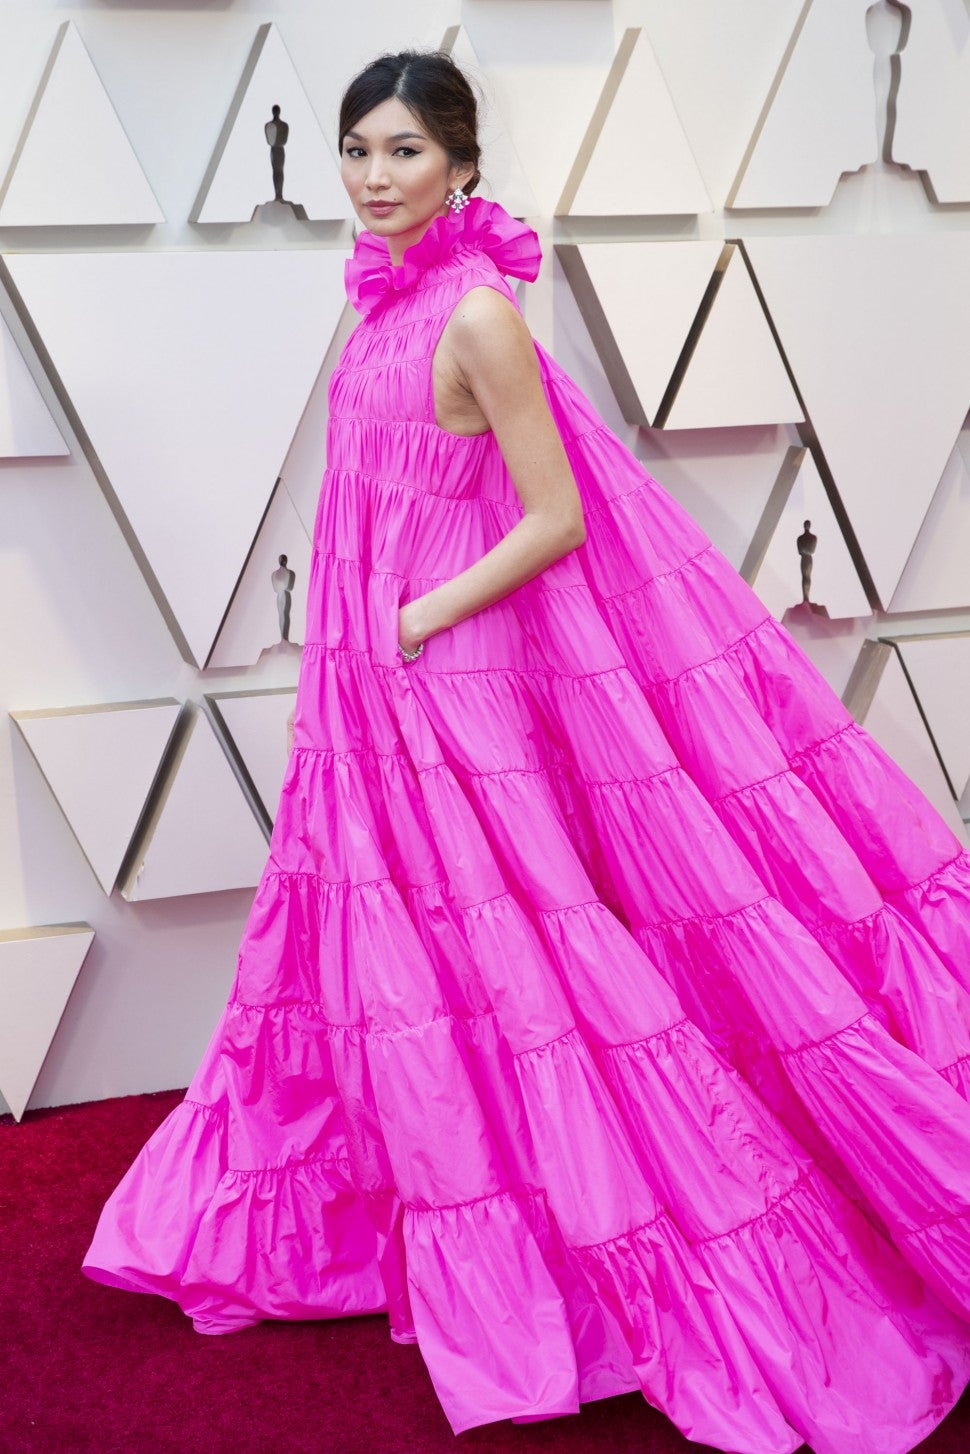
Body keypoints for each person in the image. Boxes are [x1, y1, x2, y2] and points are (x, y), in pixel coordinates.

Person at [84, 50, 970, 1454]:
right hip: (371, 682)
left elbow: (553, 515)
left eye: (403, 152)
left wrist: (413, 619)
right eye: (356, 151)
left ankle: (564, 1229)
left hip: (445, 675)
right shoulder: (382, 304)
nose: (375, 178)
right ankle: (430, 1188)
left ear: (461, 166)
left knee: (516, 937)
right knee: (408, 952)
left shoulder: (479, 314)